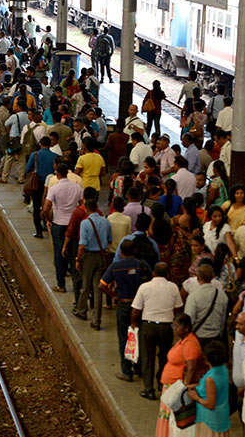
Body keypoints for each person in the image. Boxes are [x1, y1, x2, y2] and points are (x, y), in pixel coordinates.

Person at [100, 240, 151, 381]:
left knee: (124, 338)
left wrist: (114, 296)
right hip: (140, 306)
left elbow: (102, 285)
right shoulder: (142, 265)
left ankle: (126, 371)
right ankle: (138, 368)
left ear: (121, 252)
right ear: (134, 251)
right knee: (139, 336)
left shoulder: (115, 266)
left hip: (123, 305)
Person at [131, 262, 184, 400]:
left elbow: (136, 310)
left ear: (153, 273)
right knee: (165, 355)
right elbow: (178, 308)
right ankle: (162, 382)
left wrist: (133, 323)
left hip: (148, 325)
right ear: (168, 274)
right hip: (166, 327)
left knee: (148, 357)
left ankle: (148, 389)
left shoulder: (144, 287)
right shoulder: (173, 287)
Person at [154, 313, 203, 437]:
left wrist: (183, 389)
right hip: (171, 387)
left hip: (177, 388)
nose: (174, 329)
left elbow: (191, 369)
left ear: (186, 328)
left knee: (174, 422)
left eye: (177, 326)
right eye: (173, 326)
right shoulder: (183, 341)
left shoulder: (190, 344)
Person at [43, 163, 83, 293]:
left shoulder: (54, 188)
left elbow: (45, 208)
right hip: (73, 224)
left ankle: (61, 284)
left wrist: (50, 219)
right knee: (74, 254)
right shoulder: (77, 187)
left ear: (57, 174)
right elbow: (82, 205)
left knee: (59, 254)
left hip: (58, 224)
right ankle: (77, 285)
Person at [74, 199, 111, 330]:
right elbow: (110, 240)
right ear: (97, 208)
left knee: (85, 286)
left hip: (89, 257)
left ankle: (81, 311)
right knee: (98, 289)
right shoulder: (106, 221)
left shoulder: (85, 223)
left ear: (86, 210)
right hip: (101, 257)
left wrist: (78, 259)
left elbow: (82, 245)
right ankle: (96, 320)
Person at [187, 341, 231, 437]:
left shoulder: (210, 378)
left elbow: (210, 404)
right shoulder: (224, 369)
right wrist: (196, 385)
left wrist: (195, 397)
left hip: (210, 420)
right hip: (222, 416)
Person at [184, 265, 229, 349]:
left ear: (197, 278)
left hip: (198, 336)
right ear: (213, 277)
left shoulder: (193, 297)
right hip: (216, 336)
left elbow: (189, 320)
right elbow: (223, 319)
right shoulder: (222, 295)